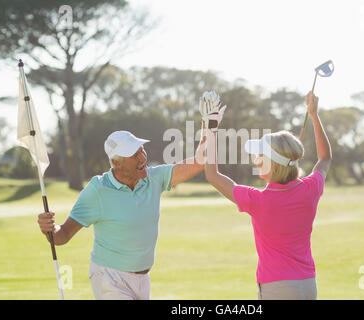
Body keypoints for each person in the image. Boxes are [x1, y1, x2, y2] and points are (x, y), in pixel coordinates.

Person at [37, 125, 210, 299]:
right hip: (109, 278)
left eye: (142, 150)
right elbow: (63, 235)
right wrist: (50, 230)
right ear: (116, 162)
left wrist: (209, 126)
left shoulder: (154, 178)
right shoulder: (98, 190)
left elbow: (200, 161)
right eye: (135, 155)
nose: (142, 157)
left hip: (143, 279)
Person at [203, 91, 332, 300]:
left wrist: (211, 129)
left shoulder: (257, 201)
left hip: (276, 287)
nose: (256, 160)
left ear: (272, 163)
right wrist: (314, 115)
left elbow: (212, 174)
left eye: (260, 156)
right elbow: (324, 158)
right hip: (308, 285)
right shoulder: (311, 189)